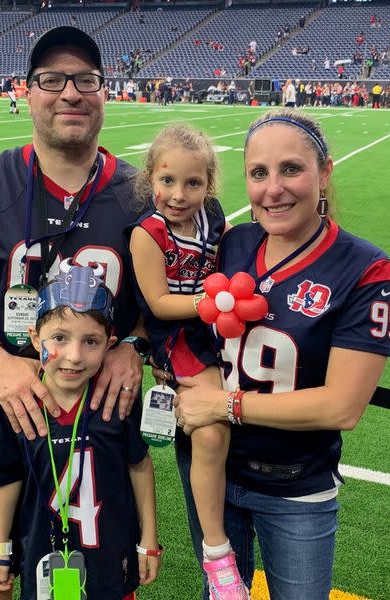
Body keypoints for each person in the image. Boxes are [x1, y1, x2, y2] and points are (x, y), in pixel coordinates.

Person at [0, 26, 148, 600]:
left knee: (100, 580)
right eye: (52, 80)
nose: (70, 93)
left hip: (99, 423)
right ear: (27, 91)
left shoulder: (146, 195)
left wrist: (133, 346)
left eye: (86, 80)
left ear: (104, 92)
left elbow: (170, 301)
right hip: (2, 418)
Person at [171, 109, 390, 600]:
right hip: (212, 468)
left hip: (296, 487)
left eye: (291, 169)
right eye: (259, 173)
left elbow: (343, 406)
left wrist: (222, 404)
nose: (273, 189)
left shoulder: (365, 269)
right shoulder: (234, 243)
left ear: (325, 173)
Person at [0, 264, 161, 599]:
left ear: (110, 345)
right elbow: (5, 477)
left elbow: (139, 464)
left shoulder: (117, 401)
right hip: (42, 558)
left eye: (91, 341)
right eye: (59, 338)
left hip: (109, 560)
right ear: (36, 338)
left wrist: (149, 540)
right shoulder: (18, 404)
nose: (74, 356)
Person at [127, 126, 247, 600]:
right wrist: (212, 303)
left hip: (215, 327)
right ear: (151, 178)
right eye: (168, 180)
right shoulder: (148, 233)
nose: (178, 194)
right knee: (212, 430)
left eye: (192, 183)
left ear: (209, 185)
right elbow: (157, 303)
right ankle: (217, 554)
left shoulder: (213, 218)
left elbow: (231, 250)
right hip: (178, 335)